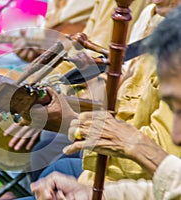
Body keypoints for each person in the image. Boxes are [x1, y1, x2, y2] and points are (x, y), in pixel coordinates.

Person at [31, 4, 181, 199]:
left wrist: (71, 121)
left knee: (48, 153)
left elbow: (168, 156)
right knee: (50, 163)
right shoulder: (150, 15)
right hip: (112, 179)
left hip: (119, 171)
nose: (178, 136)